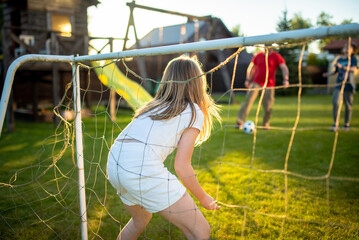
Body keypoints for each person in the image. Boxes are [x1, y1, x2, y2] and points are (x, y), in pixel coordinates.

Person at [107, 55, 221, 240]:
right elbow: (182, 166)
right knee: (200, 232)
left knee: (140, 220)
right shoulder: (193, 110)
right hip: (140, 169)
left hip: (115, 165)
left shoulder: (151, 106)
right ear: (198, 82)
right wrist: (203, 197)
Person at [235, 46, 289, 130]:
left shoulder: (276, 56)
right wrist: (248, 80)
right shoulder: (258, 55)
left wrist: (286, 79)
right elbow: (252, 68)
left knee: (268, 107)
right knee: (248, 101)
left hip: (269, 85)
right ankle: (239, 122)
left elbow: (284, 67)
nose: (267, 47)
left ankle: (265, 124)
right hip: (256, 83)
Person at [323, 42, 358, 131]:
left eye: (349, 47)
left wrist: (342, 67)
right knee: (336, 103)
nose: (346, 49)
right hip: (338, 85)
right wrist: (329, 74)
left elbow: (354, 69)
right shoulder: (339, 59)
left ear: (353, 50)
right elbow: (336, 72)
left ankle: (346, 124)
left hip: (349, 85)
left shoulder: (354, 59)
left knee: (348, 105)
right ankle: (336, 124)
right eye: (345, 47)